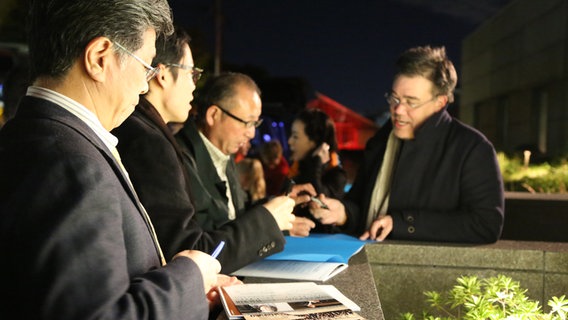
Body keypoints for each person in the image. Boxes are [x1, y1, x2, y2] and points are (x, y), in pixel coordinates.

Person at [0, 1, 241, 319]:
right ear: (100, 58)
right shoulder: (72, 163)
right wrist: (191, 277)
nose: (144, 87)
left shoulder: (32, 135)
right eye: (146, 67)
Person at [113, 37, 306, 275]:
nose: (195, 86)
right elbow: (188, 251)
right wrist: (267, 220)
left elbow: (234, 216)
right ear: (162, 75)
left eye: (256, 123)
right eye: (191, 74)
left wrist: (276, 210)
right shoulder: (152, 143)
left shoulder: (216, 155)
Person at [310, 46, 504, 244]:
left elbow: (486, 224)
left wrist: (403, 223)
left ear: (440, 102)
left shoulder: (472, 148)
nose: (398, 110)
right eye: (394, 99)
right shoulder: (381, 140)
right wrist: (343, 214)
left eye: (411, 102)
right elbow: (362, 207)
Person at [175, 72, 316, 240]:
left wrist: (278, 204)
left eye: (256, 123)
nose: (252, 133)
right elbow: (204, 238)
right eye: (247, 122)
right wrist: (268, 224)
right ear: (214, 115)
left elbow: (236, 214)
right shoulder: (179, 158)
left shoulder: (223, 153)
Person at [288, 108, 347, 199]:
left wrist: (316, 163)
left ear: (315, 142)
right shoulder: (297, 170)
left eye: (295, 136)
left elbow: (319, 198)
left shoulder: (336, 176)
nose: (290, 141)